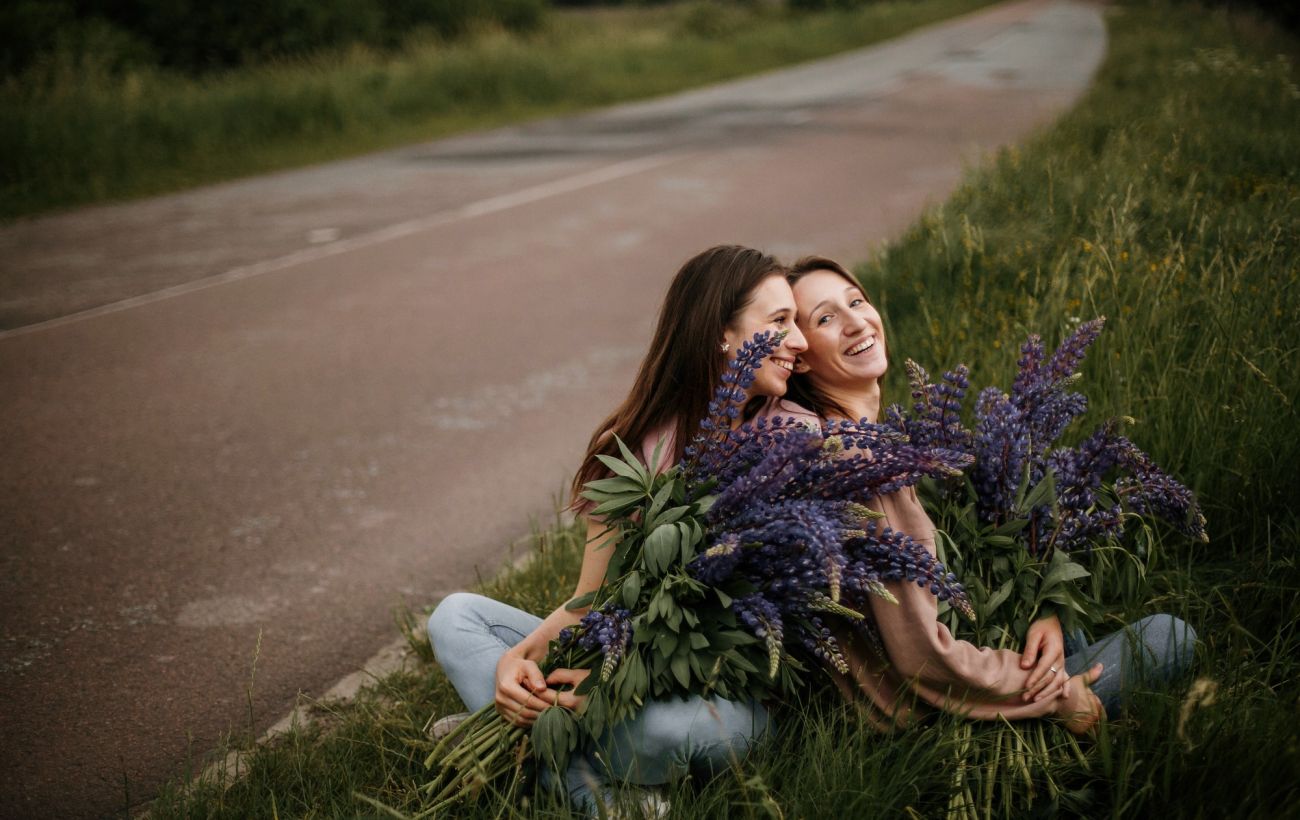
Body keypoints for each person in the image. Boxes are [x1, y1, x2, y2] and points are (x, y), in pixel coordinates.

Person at [426, 245, 809, 814]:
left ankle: (535, 758)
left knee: (685, 733)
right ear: (719, 335)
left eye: (797, 321)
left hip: (715, 688)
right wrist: (517, 662)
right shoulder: (633, 446)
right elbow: (594, 599)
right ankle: (573, 766)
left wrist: (608, 679)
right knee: (454, 616)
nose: (798, 340)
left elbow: (743, 628)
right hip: (618, 661)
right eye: (779, 321)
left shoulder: (793, 438)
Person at [776, 255, 1197, 734]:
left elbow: (966, 562)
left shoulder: (866, 440)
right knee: (1170, 636)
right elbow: (920, 656)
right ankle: (1067, 735)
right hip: (935, 715)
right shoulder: (862, 466)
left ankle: (1072, 686)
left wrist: (1043, 609)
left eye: (857, 301)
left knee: (1062, 630)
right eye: (826, 318)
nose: (856, 322)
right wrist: (1057, 695)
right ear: (801, 353)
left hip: (955, 672)